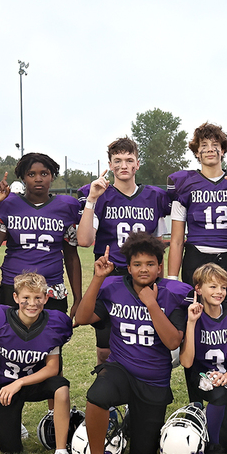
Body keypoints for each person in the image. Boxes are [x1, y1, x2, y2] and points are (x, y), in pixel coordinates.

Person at [72, 233, 191, 454]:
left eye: (150, 264)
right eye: (137, 264)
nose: (144, 269)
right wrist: (97, 278)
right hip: (121, 369)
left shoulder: (173, 294)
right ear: (129, 267)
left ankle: (128, 423)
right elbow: (82, 318)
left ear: (160, 267)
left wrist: (151, 304)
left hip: (154, 380)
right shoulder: (114, 288)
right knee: (98, 394)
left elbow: (172, 342)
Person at [0, 272, 76, 454]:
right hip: (1, 387)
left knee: (61, 388)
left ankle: (60, 452)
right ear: (16, 298)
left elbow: (52, 368)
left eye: (37, 298)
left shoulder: (54, 325)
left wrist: (20, 382)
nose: (32, 304)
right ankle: (9, 426)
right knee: (10, 450)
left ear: (46, 298)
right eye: (26, 298)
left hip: (31, 383)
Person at [78, 137, 173, 364]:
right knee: (104, 347)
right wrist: (91, 199)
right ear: (110, 165)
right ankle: (107, 396)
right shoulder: (99, 194)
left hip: (144, 276)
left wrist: (159, 280)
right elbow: (84, 240)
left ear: (137, 164)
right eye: (117, 160)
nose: (123, 165)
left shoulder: (154, 197)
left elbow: (159, 246)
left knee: (143, 339)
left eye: (129, 160)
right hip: (109, 274)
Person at [168, 122, 227, 303]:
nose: (210, 150)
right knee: (194, 314)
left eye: (215, 145)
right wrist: (172, 279)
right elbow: (177, 239)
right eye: (204, 146)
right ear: (196, 152)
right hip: (196, 258)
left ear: (223, 150)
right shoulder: (184, 183)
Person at [0, 153, 82, 316]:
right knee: (12, 339)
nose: (38, 179)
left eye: (44, 173)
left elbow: (71, 256)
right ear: (23, 178)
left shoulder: (66, 206)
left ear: (52, 176)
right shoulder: (8, 204)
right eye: (31, 174)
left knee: (50, 340)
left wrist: (78, 299)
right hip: (13, 287)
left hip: (52, 288)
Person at [180, 263, 227, 454]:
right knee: (217, 400)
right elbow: (186, 361)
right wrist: (192, 323)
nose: (219, 292)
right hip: (201, 376)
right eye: (213, 286)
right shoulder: (192, 315)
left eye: (223, 287)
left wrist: (226, 377)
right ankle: (213, 448)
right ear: (198, 289)